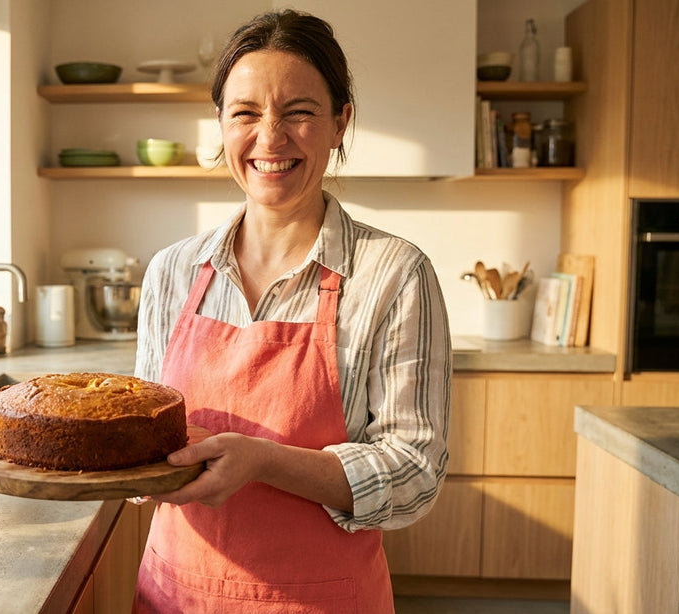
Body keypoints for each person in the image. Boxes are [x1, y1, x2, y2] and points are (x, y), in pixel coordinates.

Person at [132, 9, 452, 613]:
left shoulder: (394, 274)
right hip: (175, 596)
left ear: (340, 123)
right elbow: (149, 436)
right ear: (222, 126)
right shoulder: (172, 272)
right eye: (245, 113)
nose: (270, 137)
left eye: (299, 112)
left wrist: (263, 462)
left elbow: (416, 473)